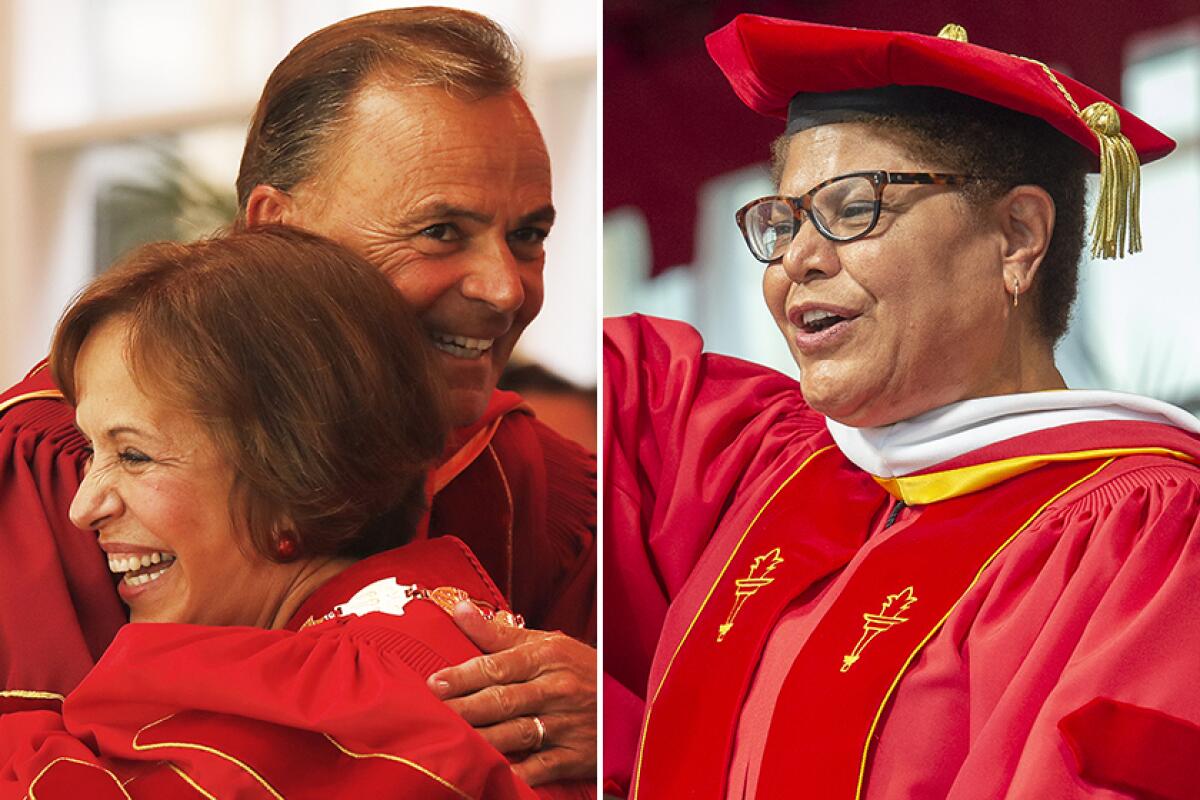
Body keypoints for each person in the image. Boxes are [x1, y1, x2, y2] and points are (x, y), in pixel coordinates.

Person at [605, 14, 1200, 800]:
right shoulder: (764, 473)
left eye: (854, 209)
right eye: (781, 223)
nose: (796, 262)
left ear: (1018, 236)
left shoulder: (1144, 537)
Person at [0, 7, 595, 786]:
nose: (504, 288)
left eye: (528, 237)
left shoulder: (529, 477)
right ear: (279, 229)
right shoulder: (53, 466)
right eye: (441, 231)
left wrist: (618, 720)